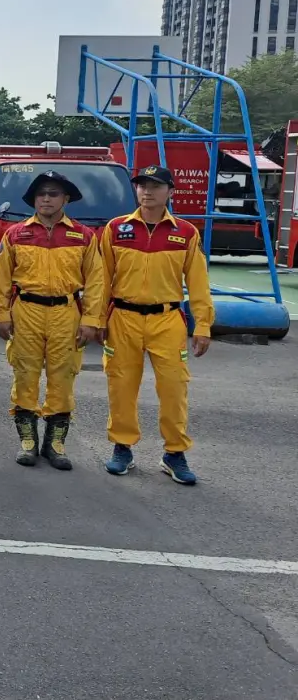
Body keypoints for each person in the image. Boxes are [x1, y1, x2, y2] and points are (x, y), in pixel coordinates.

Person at [100, 165, 213, 486]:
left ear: (170, 192)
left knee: (174, 388)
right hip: (122, 317)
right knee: (121, 385)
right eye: (142, 186)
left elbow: (199, 283)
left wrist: (202, 325)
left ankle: (174, 453)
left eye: (155, 186)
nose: (147, 191)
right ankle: (122, 447)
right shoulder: (116, 228)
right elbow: (102, 279)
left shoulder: (186, 233)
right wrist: (95, 319)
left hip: (167, 320)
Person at [0, 170, 105, 470]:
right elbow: (1, 279)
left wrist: (91, 320)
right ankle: (27, 443)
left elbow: (96, 281)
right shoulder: (15, 234)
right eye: (41, 193)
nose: (46, 198)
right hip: (26, 310)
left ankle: (55, 444)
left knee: (63, 378)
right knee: (25, 375)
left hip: (66, 313)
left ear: (66, 198)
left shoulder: (83, 236)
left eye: (53, 193)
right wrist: (1, 315)